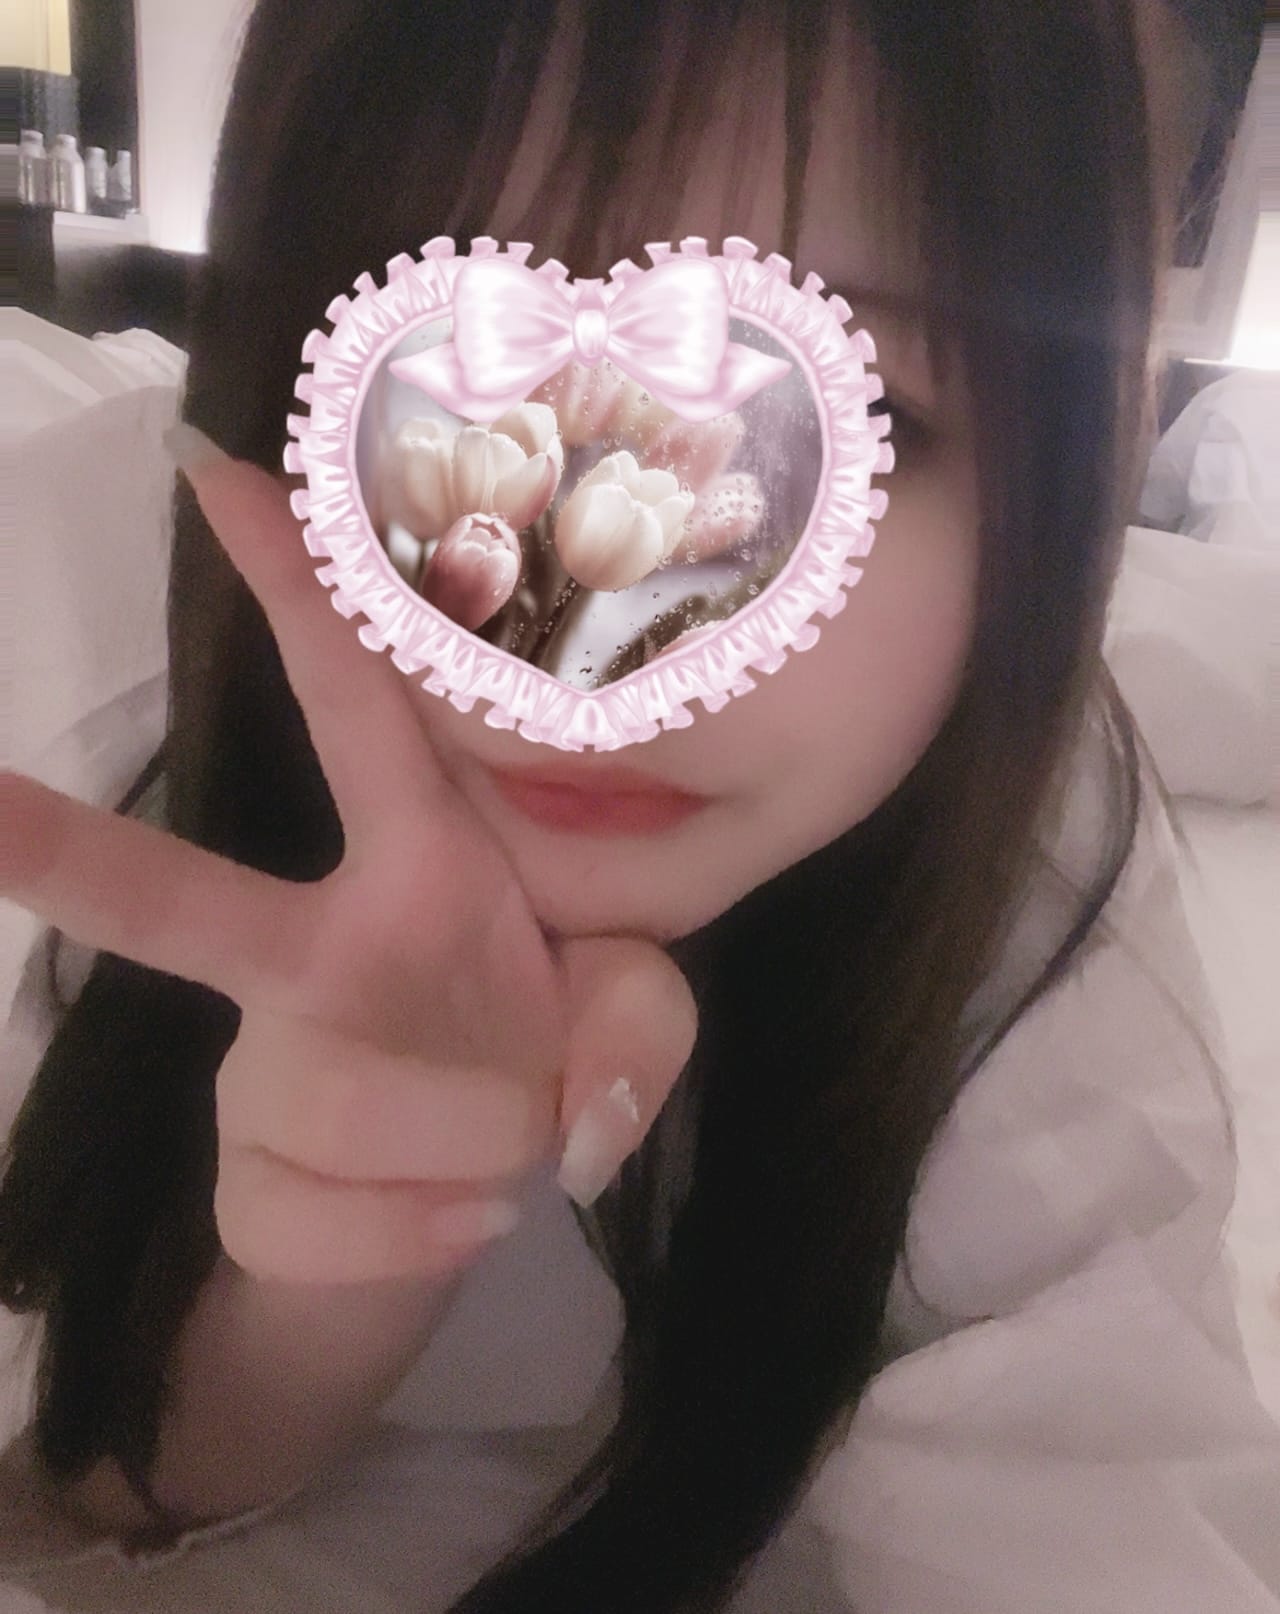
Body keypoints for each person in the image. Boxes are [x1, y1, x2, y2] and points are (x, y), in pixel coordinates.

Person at [1, 1, 1277, 1610]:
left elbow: (1104, 1508)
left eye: (864, 414)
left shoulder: (1029, 878)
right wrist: (310, 1309)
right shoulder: (78, 654)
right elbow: (84, 1484)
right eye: (457, 387)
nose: (608, 616)